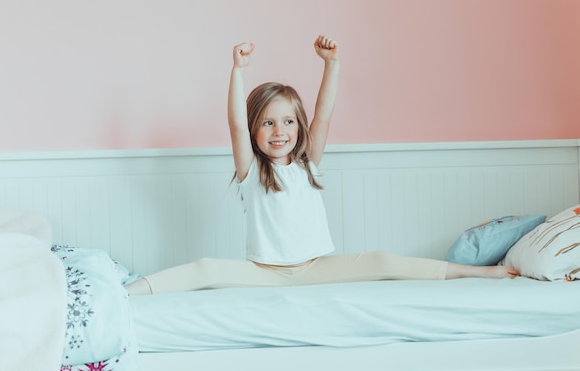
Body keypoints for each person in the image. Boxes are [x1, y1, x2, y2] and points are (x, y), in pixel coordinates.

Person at [126, 35, 519, 295]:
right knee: (204, 268)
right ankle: (128, 290)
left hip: (316, 268)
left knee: (383, 261)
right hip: (266, 273)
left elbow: (324, 117)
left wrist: (331, 65)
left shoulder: (307, 165)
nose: (279, 132)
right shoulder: (250, 171)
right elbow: (232, 123)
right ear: (253, 130)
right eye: (267, 122)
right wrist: (238, 72)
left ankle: (479, 272)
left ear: (298, 127)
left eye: (288, 122)